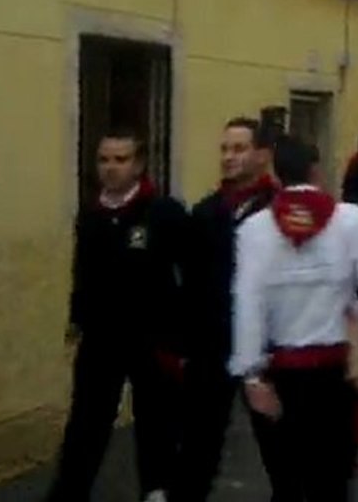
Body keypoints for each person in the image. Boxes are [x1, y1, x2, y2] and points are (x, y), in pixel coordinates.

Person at [230, 136, 358, 501]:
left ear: (277, 176)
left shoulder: (254, 229)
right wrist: (356, 317)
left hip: (279, 373)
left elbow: (247, 303)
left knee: (286, 482)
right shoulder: (351, 220)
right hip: (334, 371)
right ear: (316, 170)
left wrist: (251, 373)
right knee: (332, 482)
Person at [47, 131, 188, 502]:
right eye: (104, 160)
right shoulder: (91, 215)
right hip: (101, 340)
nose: (110, 168)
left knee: (156, 422)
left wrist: (181, 336)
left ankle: (156, 490)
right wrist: (77, 318)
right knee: (86, 423)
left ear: (138, 164)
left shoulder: (163, 213)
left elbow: (188, 273)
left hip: (153, 341)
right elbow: (83, 272)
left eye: (120, 160)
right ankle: (69, 493)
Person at [171, 118, 280, 502]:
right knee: (197, 451)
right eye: (224, 149)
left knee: (280, 450)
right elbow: (189, 283)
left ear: (263, 155)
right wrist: (183, 346)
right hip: (211, 348)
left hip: (267, 352)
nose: (229, 157)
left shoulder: (282, 213)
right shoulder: (206, 213)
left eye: (239, 149)